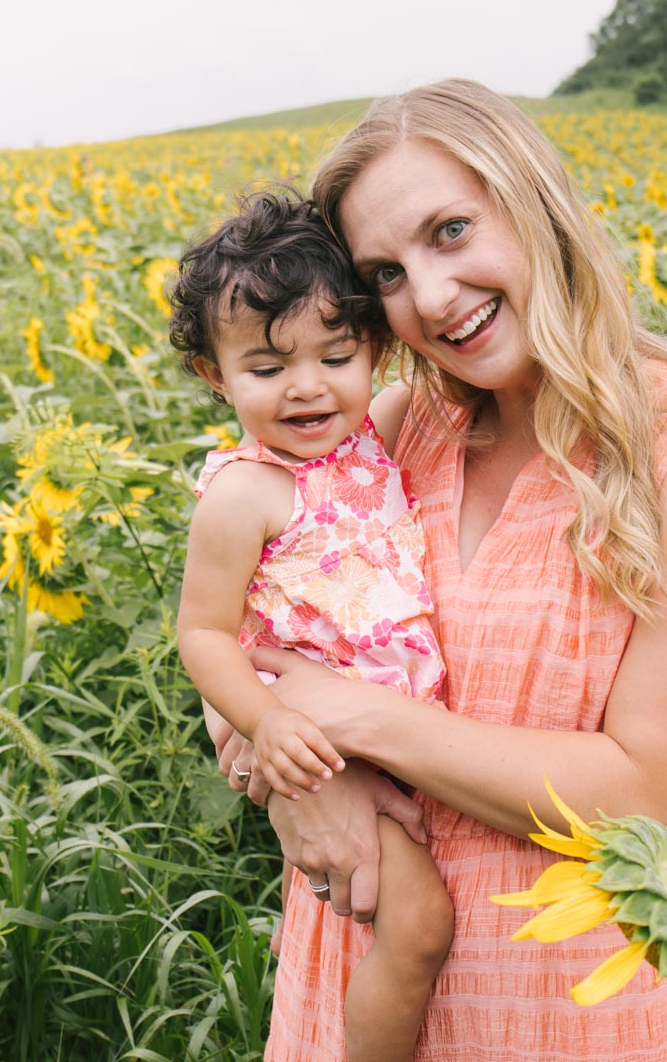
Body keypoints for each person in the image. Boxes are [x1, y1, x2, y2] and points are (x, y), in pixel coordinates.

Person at [211, 79, 667, 1061]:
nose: (431, 296)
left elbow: (650, 789)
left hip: (571, 1002)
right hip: (356, 987)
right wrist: (296, 781)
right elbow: (233, 628)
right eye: (385, 273)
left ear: (536, 208)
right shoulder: (395, 433)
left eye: (450, 232)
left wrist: (346, 720)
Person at [170, 191, 454, 1062]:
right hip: (332, 750)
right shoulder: (244, 494)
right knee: (419, 927)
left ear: (373, 348)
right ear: (216, 376)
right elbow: (206, 635)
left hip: (405, 736)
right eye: (266, 368)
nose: (307, 387)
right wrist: (268, 724)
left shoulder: (373, 437)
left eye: (336, 354)